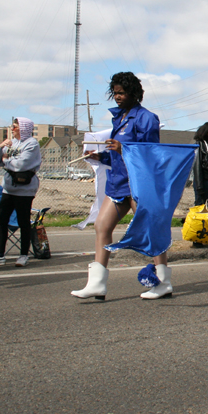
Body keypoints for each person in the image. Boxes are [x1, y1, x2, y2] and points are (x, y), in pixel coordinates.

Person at [71, 72, 162, 300]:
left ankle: (164, 281)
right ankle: (97, 283)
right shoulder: (119, 118)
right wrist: (100, 157)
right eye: (115, 93)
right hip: (118, 183)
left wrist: (123, 149)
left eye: (121, 93)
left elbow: (151, 153)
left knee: (151, 231)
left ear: (134, 93)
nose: (117, 97)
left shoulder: (147, 119)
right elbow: (117, 155)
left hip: (138, 184)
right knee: (101, 226)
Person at [0, 117, 41, 267]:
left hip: (25, 190)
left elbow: (21, 164)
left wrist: (6, 160)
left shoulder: (32, 144)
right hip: (8, 188)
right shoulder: (11, 143)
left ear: (23, 128)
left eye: (14, 126)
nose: (12, 129)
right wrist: (1, 148)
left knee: (23, 222)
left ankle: (23, 255)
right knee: (1, 220)